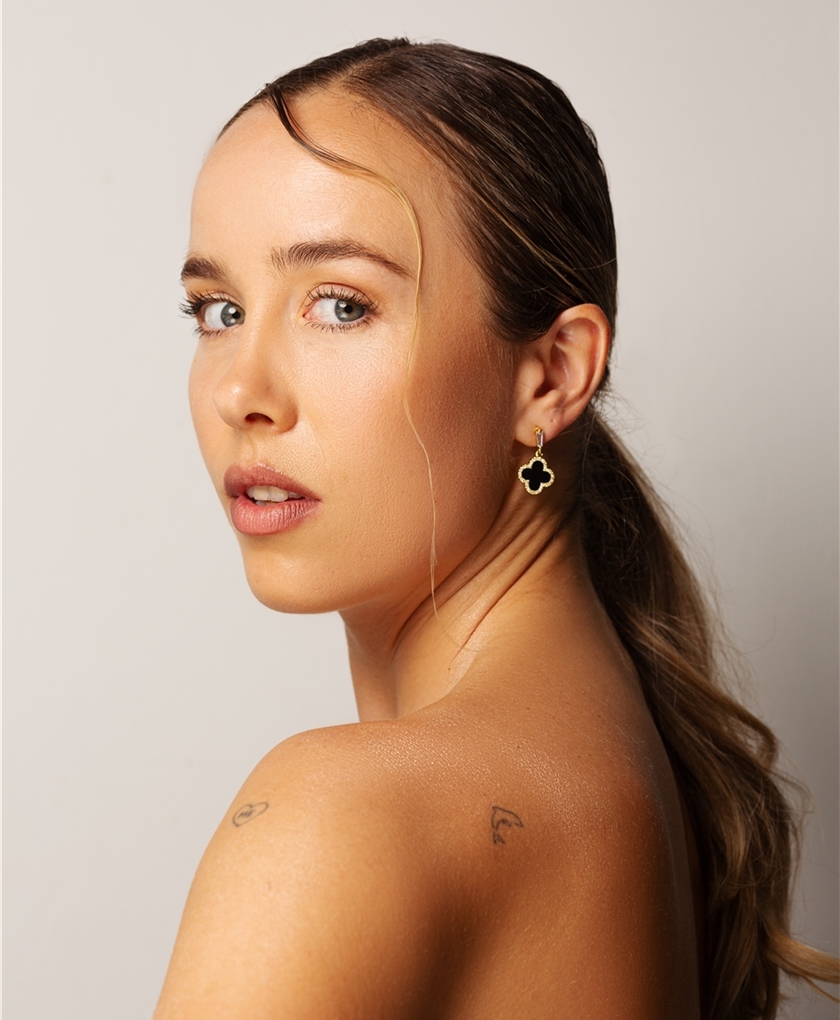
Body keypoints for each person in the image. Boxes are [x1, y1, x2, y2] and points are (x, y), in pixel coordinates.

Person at [155, 38, 838, 1019]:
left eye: (341, 305)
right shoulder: (648, 781)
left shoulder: (341, 815)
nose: (241, 392)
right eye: (218, 310)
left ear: (552, 374)